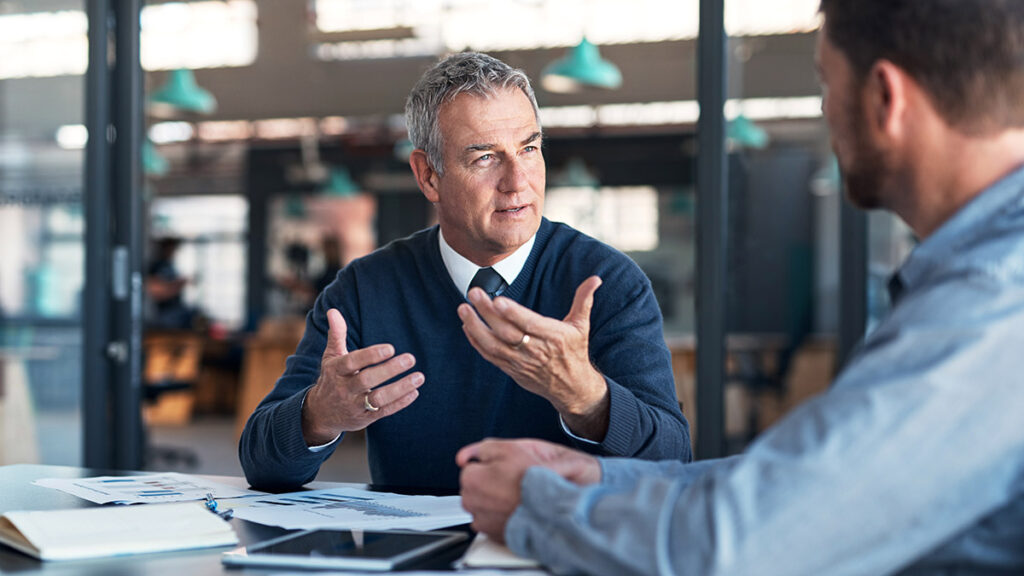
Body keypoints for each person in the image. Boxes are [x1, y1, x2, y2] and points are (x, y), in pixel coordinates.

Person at [457, 1, 1024, 573]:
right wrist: (603, 476)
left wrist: (537, 507)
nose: (826, 110)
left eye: (827, 84)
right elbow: (807, 486)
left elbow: (739, 547)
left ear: (885, 98)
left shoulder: (994, 298)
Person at [239, 52, 691, 491]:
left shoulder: (607, 283)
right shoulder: (363, 290)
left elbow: (673, 461)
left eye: (529, 149)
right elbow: (261, 464)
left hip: (554, 551)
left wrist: (588, 399)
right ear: (429, 176)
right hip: (412, 560)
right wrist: (318, 414)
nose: (518, 182)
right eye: (485, 158)